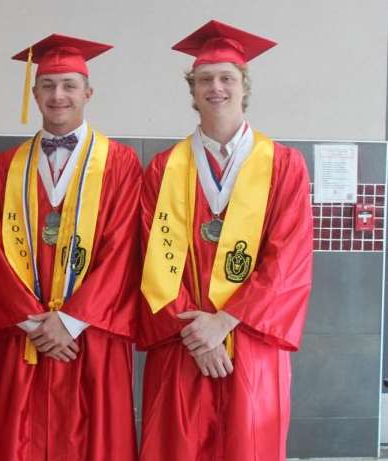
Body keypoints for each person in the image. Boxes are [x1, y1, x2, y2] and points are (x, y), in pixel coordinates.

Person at [138, 20, 313, 461]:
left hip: (251, 342)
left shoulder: (284, 165)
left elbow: (287, 260)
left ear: (243, 86)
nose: (216, 87)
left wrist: (225, 322)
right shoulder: (163, 167)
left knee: (249, 446)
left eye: (226, 78)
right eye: (204, 80)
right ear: (193, 90)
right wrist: (198, 333)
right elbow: (151, 256)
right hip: (184, 341)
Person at [0, 34, 142, 461]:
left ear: (88, 93)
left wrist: (71, 322)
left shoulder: (121, 163)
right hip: (28, 334)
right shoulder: (5, 168)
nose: (58, 95)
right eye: (48, 86)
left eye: (69, 85)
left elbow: (124, 249)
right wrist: (37, 325)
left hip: (93, 334)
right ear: (34, 94)